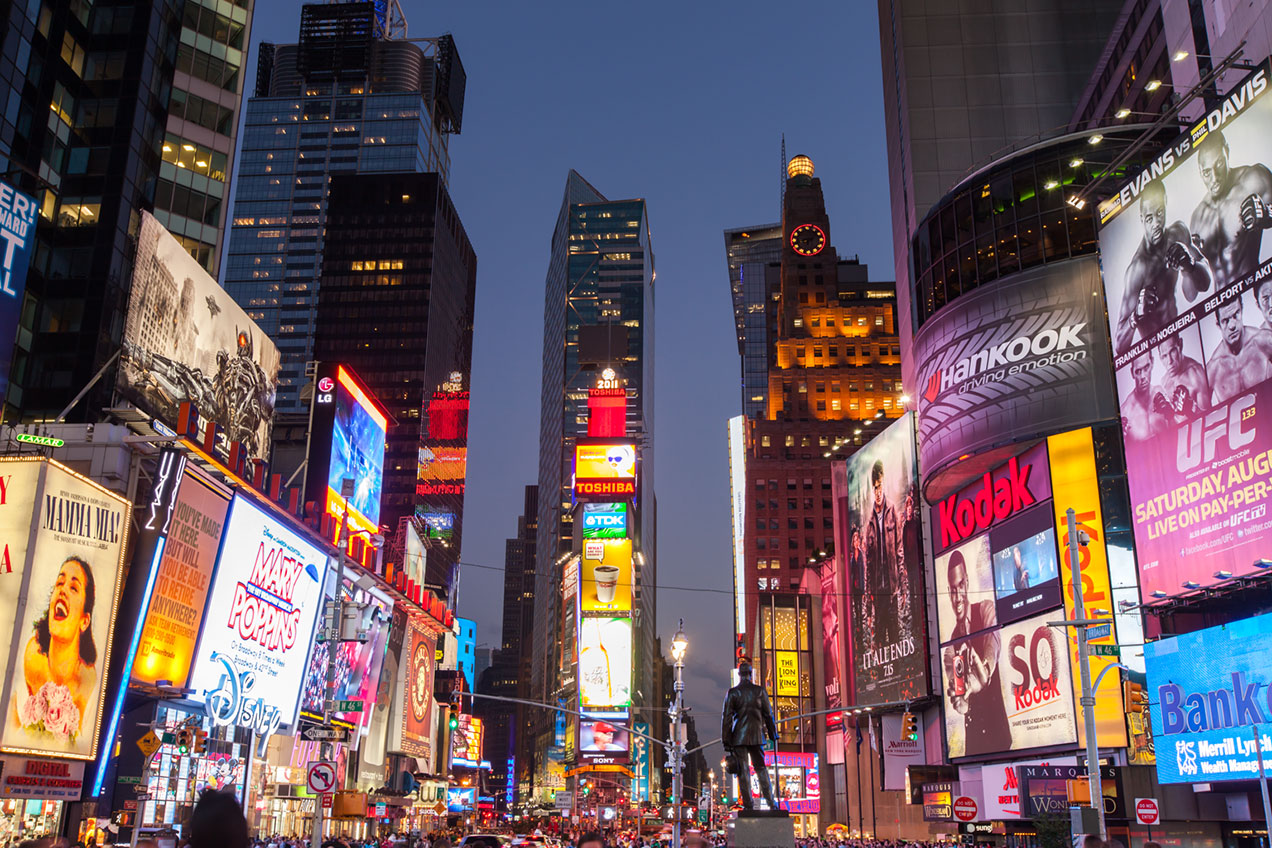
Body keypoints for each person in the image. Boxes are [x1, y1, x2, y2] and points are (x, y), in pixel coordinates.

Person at [1115, 179, 1211, 353]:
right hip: (1157, 355)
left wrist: (1190, 265)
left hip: (1185, 338)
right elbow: (1120, 347)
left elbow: (1204, 285)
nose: (1156, 223)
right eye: (1150, 218)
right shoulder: (1137, 270)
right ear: (1142, 219)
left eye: (1159, 213)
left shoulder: (1179, 232)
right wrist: (1135, 315)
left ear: (1166, 203)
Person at [16, 556, 99, 737]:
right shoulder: (31, 655)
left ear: (84, 621)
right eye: (59, 583)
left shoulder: (87, 682)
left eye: (73, 587)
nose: (62, 591)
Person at [942, 549, 1010, 756]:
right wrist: (962, 704)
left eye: (961, 585)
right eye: (953, 589)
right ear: (947, 591)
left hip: (1001, 741)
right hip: (975, 749)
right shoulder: (950, 649)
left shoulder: (986, 610)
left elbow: (993, 643)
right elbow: (959, 689)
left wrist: (985, 670)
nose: (958, 596)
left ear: (968, 583)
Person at [1190, 128, 1272, 290]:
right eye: (1207, 172)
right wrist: (1187, 266)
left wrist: (1268, 213)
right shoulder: (1197, 217)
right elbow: (1200, 285)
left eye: (1219, 163)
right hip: (1221, 309)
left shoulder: (1253, 179)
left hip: (1253, 292)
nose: (1215, 178)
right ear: (1200, 173)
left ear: (1227, 152)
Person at [721, 660, 779, 811]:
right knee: (761, 768)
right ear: (751, 674)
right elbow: (768, 714)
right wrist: (773, 734)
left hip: (739, 737)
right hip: (756, 736)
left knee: (743, 771)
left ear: (739, 675)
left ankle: (749, 806)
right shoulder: (760, 691)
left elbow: (726, 718)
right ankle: (772, 803)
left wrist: (726, 740)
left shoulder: (733, 692)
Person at [864, 460, 905, 649]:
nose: (878, 492)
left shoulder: (892, 512)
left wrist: (903, 588)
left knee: (895, 634)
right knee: (880, 637)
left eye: (880, 487)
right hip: (877, 592)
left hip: (892, 586)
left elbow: (899, 551)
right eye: (875, 488)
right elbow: (868, 567)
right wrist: (868, 606)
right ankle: (882, 674)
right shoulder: (869, 524)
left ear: (883, 484)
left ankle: (897, 671)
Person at [1205, 297, 1272, 404]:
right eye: (1225, 321)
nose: (1232, 326)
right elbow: (1201, 413)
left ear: (1241, 310)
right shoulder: (1213, 369)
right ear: (1218, 325)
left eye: (1236, 315)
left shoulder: (1264, 341)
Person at [1155, 333, 1210, 420]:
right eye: (1164, 356)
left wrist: (1192, 408)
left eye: (1172, 351)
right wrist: (1167, 414)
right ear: (1160, 357)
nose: (1169, 361)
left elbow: (1210, 417)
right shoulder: (1164, 381)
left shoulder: (1196, 374)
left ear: (1180, 345)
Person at [1120, 352, 1171, 443]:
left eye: (1146, 368)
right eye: (1138, 371)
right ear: (1132, 373)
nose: (1143, 376)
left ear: (1152, 363)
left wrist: (1171, 415)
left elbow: (1180, 429)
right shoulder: (1126, 412)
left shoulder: (1162, 393)